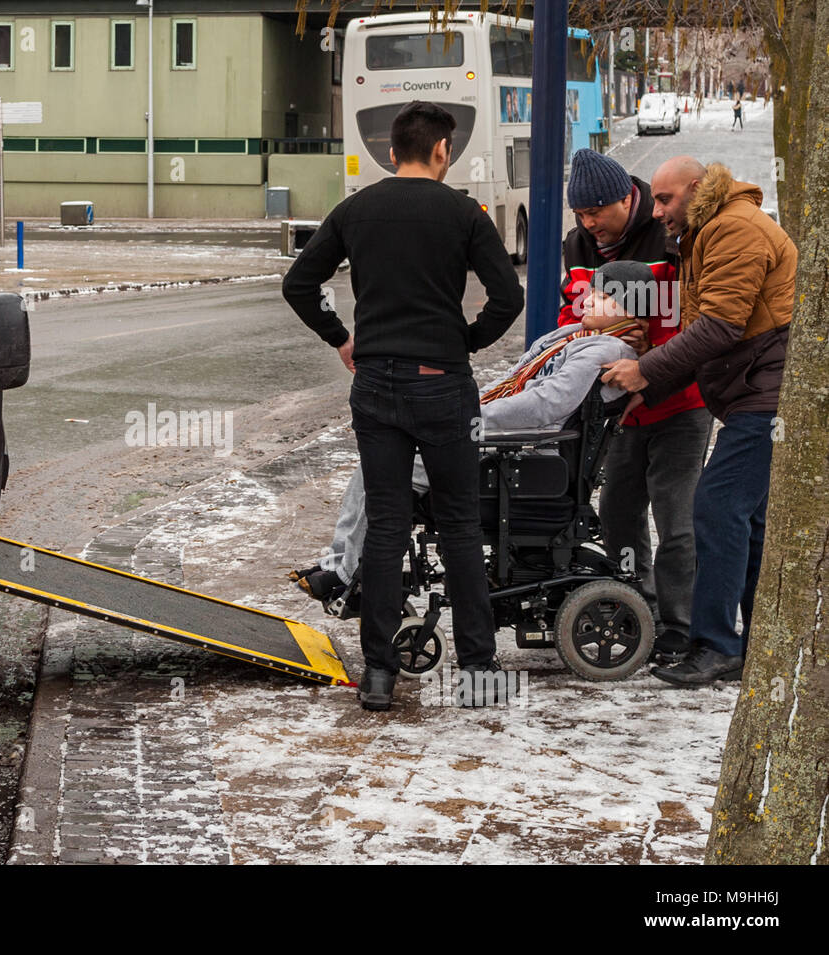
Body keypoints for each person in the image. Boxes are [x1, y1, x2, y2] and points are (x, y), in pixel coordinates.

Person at [282, 101, 524, 712]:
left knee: (387, 529)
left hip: (377, 388)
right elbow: (508, 296)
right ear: (443, 151)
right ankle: (476, 668)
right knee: (461, 527)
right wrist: (465, 339)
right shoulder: (464, 213)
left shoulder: (357, 209)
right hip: (444, 385)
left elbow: (298, 284)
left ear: (392, 153)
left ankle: (380, 676)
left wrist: (341, 338)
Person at [300, 261, 653, 602]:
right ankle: (343, 564)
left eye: (603, 297)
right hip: (510, 445)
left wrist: (471, 418)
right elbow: (515, 382)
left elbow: (548, 404)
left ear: (632, 310)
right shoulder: (576, 336)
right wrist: (465, 406)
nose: (587, 299)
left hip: (525, 454)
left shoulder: (606, 350)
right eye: (590, 291)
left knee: (387, 467)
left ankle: (348, 571)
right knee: (379, 462)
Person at [602, 157, 797, 686]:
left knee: (715, 508)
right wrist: (654, 387)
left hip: (765, 395)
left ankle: (715, 646)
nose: (658, 210)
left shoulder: (733, 228)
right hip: (753, 393)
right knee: (748, 521)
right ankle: (755, 643)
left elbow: (718, 327)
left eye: (665, 200)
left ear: (696, 189)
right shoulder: (710, 228)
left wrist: (645, 372)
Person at [560, 149, 711, 664]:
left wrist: (652, 380)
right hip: (618, 413)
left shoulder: (671, 235)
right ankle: (638, 607)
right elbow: (571, 313)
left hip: (679, 405)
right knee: (618, 514)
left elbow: (693, 326)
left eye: (597, 211)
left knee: (677, 519)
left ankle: (679, 623)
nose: (590, 224)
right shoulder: (577, 245)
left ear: (628, 197)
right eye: (581, 215)